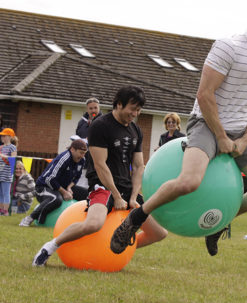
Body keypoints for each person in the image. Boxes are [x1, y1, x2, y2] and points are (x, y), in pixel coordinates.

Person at [109, 3, 247, 256]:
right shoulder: (229, 46)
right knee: (189, 182)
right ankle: (135, 219)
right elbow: (205, 94)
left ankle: (219, 222)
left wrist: (245, 138)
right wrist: (220, 135)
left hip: (240, 131)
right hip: (206, 123)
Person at [32, 86, 167, 266]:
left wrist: (133, 196)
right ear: (119, 104)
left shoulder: (136, 130)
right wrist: (117, 196)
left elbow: (137, 165)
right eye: (132, 109)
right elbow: (100, 165)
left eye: (138, 110)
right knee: (93, 224)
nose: (135, 113)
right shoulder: (100, 126)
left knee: (159, 233)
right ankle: (49, 247)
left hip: (126, 188)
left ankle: (117, 246)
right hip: (102, 186)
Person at [19, 139, 89, 226]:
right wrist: (64, 192)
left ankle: (86, 221)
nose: (83, 156)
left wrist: (69, 188)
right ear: (72, 149)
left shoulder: (82, 160)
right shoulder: (64, 158)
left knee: (89, 194)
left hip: (63, 187)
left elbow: (77, 177)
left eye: (84, 153)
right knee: (56, 199)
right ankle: (30, 218)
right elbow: (50, 179)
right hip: (43, 187)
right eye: (81, 152)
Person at [0, 128, 17, 216]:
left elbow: (13, 158)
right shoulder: (1, 147)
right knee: (0, 193)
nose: (2, 137)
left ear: (10, 137)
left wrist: (2, 155)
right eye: (2, 135)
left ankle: (5, 211)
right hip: (0, 172)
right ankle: (1, 209)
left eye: (4, 135)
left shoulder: (12, 147)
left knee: (5, 193)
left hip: (7, 173)